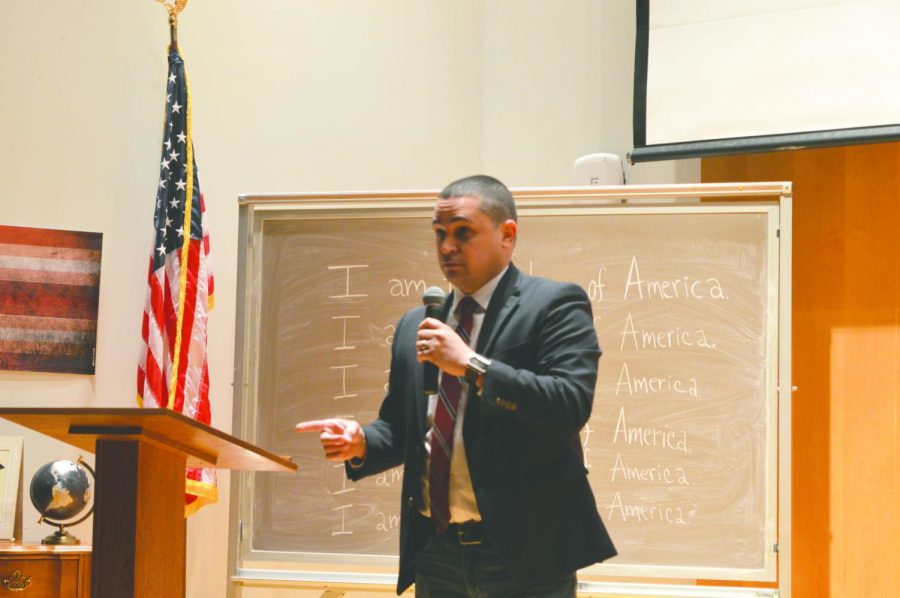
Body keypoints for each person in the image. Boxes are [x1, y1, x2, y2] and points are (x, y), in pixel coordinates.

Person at [296, 175, 616, 597]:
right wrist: (362, 443)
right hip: (437, 553)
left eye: (463, 232)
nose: (447, 247)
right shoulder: (418, 324)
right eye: (439, 233)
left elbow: (569, 405)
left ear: (507, 235)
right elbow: (402, 428)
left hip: (525, 555)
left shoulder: (553, 305)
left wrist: (472, 364)